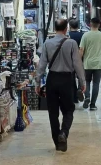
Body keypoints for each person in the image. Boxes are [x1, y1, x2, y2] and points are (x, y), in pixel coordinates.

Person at [36, 18, 86, 152]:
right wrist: (82, 82)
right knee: (69, 110)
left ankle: (57, 142)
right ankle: (63, 133)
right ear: (66, 29)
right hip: (67, 80)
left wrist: (37, 82)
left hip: (52, 79)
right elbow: (77, 64)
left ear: (55, 28)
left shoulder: (47, 43)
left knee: (53, 112)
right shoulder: (71, 43)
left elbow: (41, 65)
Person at [79, 17, 101, 110]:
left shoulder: (85, 35)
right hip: (98, 63)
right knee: (96, 83)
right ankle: (93, 104)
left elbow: (81, 49)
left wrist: (79, 61)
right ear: (99, 25)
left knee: (87, 81)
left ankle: (87, 97)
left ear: (90, 24)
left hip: (87, 63)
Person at [68, 18, 85, 103]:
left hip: (69, 59)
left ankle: (74, 97)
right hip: (80, 58)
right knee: (80, 76)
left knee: (71, 78)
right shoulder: (82, 35)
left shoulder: (68, 35)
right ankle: (79, 89)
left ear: (70, 26)